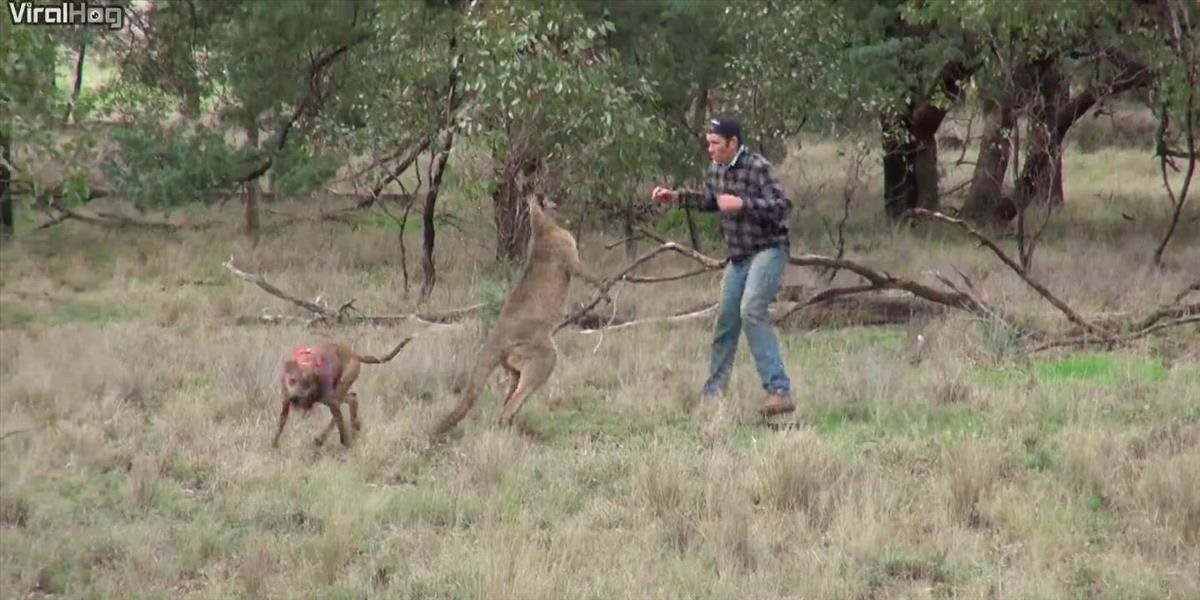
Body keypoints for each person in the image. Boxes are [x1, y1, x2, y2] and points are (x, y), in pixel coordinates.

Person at [651, 116, 795, 417]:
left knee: (751, 310)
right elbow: (710, 201)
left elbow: (783, 206)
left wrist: (744, 205)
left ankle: (779, 390)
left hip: (768, 249)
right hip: (738, 257)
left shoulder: (757, 167)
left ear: (733, 143)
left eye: (715, 143)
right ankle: (713, 395)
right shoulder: (716, 169)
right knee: (726, 321)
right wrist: (675, 197)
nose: (710, 149)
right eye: (709, 143)